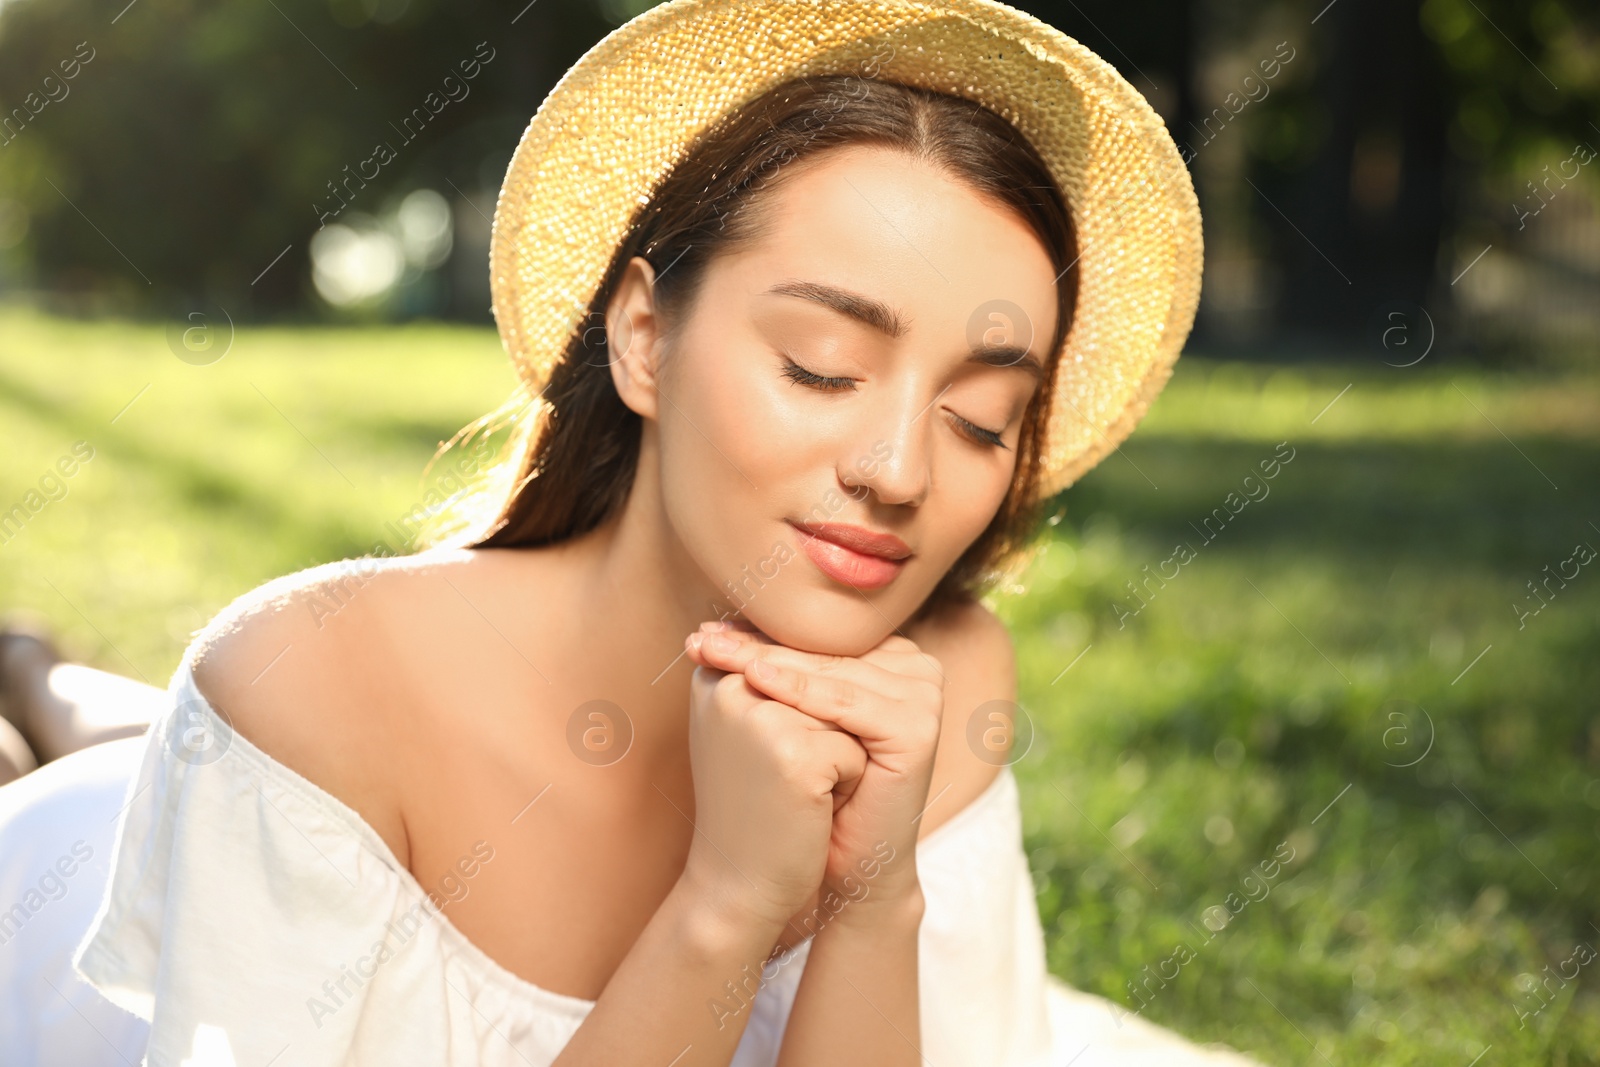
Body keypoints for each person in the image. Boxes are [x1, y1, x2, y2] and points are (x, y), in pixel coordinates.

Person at [0, 0, 1251, 1063]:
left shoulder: (938, 685)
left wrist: (865, 899)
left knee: (118, 738)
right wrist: (724, 905)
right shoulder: (314, 674)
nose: (896, 470)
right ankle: (38, 691)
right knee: (92, 782)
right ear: (644, 336)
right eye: (820, 367)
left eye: (982, 417)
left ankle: (41, 679)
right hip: (62, 901)